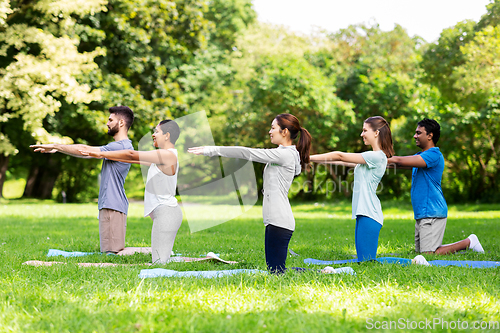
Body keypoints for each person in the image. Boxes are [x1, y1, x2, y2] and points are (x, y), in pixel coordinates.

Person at [188, 113, 312, 275]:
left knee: (276, 272)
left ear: (285, 132)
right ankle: (321, 272)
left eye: (273, 128)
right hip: (275, 219)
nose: (270, 131)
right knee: (275, 270)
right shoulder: (286, 153)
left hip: (280, 220)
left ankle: (324, 272)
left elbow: (247, 153)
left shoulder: (285, 154)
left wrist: (212, 150)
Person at [31, 106, 134, 254]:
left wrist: (55, 145)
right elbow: (87, 153)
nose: (107, 123)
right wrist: (59, 149)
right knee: (109, 252)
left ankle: (156, 253)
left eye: (111, 120)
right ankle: (156, 252)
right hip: (111, 204)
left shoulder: (120, 146)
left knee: (113, 254)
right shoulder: (117, 147)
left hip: (113, 205)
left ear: (122, 123)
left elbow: (85, 149)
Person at [80, 120, 183, 264]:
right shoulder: (162, 156)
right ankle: (201, 259)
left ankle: (208, 260)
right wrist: (104, 155)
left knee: (159, 263)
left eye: (156, 132)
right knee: (163, 259)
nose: (153, 135)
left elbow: (130, 155)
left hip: (167, 215)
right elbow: (132, 160)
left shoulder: (167, 155)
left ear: (167, 135)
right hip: (165, 214)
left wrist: (99, 153)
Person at [387, 118, 484, 254]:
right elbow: (395, 164)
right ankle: (467, 242)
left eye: (418, 133)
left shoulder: (433, 155)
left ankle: (469, 242)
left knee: (429, 254)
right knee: (422, 252)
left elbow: (397, 161)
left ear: (430, 135)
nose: (415, 136)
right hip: (423, 212)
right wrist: (359, 162)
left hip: (432, 211)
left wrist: (378, 158)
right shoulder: (420, 156)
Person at [310, 116, 394, 262]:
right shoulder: (369, 160)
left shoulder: (377, 157)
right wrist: (315, 159)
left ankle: (415, 261)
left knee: (367, 262)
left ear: (376, 133)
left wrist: (308, 157)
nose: (362, 134)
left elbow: (340, 156)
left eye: (364, 130)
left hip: (370, 214)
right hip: (363, 213)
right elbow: (340, 161)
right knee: (364, 260)